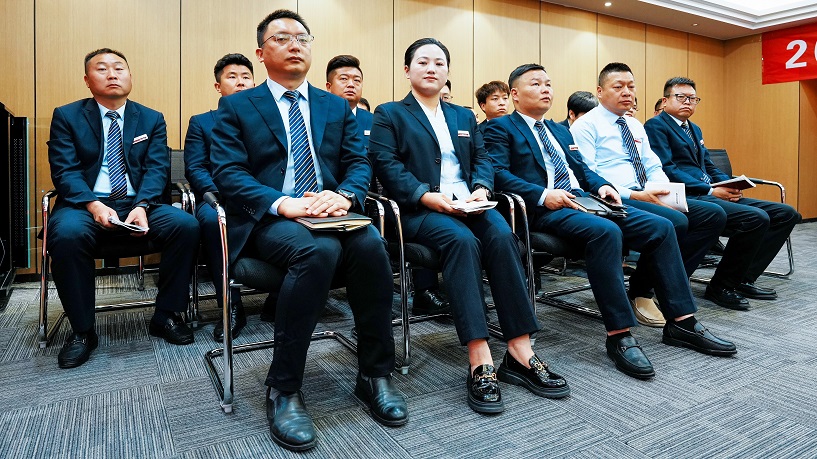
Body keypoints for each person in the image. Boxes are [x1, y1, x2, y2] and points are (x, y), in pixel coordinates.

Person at [209, 10, 407, 451]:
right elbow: (228, 172)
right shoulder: (238, 105)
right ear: (261, 53)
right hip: (271, 219)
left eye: (302, 37)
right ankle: (283, 387)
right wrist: (282, 203)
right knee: (318, 252)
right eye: (282, 38)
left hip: (331, 212)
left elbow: (358, 162)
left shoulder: (334, 105)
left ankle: (375, 374)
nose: (295, 44)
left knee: (373, 246)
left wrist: (345, 195)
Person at [485, 64, 736, 379]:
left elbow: (581, 170)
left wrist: (602, 186)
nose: (546, 89)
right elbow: (498, 174)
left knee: (662, 227)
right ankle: (619, 335)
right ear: (514, 94)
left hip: (584, 199)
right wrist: (544, 194)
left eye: (548, 83)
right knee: (606, 232)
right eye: (536, 84)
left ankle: (682, 322)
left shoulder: (559, 130)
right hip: (544, 208)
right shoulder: (500, 128)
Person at [371, 38, 569, 414]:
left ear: (448, 71)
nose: (432, 68)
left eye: (439, 62)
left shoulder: (462, 116)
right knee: (462, 242)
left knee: (503, 237)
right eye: (423, 62)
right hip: (421, 209)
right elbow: (386, 164)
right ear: (407, 70)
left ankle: (520, 350)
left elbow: (483, 158)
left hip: (471, 203)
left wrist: (481, 188)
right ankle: (480, 357)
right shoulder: (390, 113)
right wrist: (425, 195)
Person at [47, 48, 200, 368]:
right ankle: (82, 330)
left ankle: (166, 314)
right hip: (84, 204)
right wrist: (93, 205)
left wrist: (142, 205)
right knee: (67, 234)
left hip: (139, 203)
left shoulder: (151, 118)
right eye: (102, 69)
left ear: (130, 76)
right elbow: (65, 170)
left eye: (119, 68)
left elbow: (156, 169)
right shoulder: (67, 116)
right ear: (87, 80)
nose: (112, 74)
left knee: (185, 225)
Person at [570, 63, 727, 324]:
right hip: (615, 198)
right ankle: (642, 291)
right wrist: (635, 195)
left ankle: (662, 283)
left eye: (631, 87)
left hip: (648, 192)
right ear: (599, 91)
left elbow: (652, 165)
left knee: (712, 215)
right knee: (675, 221)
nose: (627, 92)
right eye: (618, 87)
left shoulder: (634, 125)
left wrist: (663, 190)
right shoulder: (585, 126)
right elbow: (588, 176)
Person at [645, 77, 801, 308]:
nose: (687, 102)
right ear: (665, 100)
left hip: (710, 192)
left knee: (786, 214)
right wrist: (710, 189)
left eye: (692, 98)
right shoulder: (656, 126)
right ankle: (721, 286)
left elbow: (708, 166)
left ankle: (743, 278)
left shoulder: (694, 128)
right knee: (755, 219)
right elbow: (668, 169)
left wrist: (731, 184)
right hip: (688, 195)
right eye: (681, 97)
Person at [184, 53, 255, 342]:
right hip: (218, 198)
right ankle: (231, 306)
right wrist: (220, 194)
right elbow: (195, 167)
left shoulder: (267, 121)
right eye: (232, 77)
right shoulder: (202, 122)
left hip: (260, 197)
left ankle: (281, 297)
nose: (240, 82)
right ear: (218, 86)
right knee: (215, 221)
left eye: (246, 77)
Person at [325, 54, 371, 145]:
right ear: (329, 87)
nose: (351, 84)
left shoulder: (374, 121)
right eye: (344, 79)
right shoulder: (317, 118)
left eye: (356, 80)